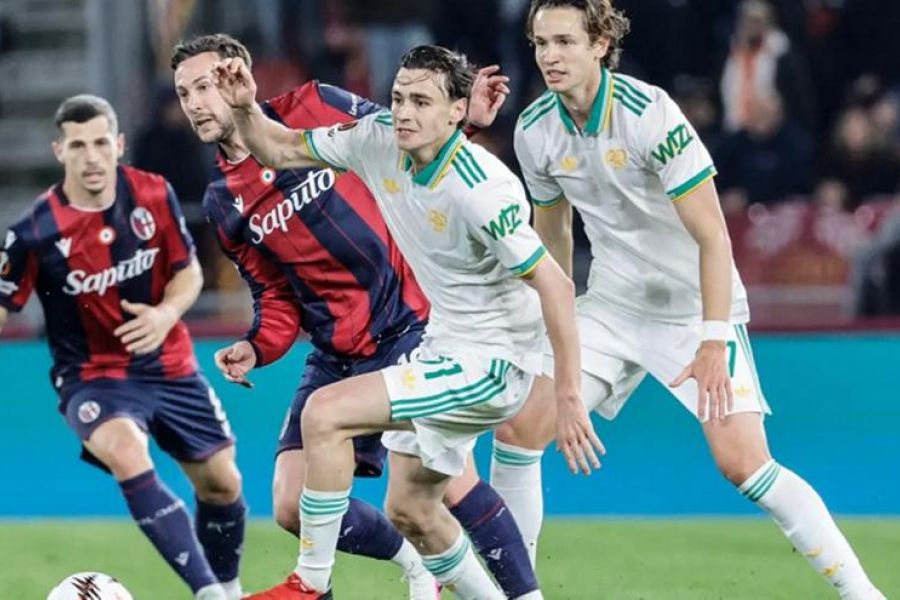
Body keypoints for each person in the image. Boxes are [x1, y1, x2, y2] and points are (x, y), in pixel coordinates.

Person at [491, 1, 887, 599]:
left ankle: (864, 595)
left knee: (744, 464)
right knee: (518, 430)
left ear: (600, 44)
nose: (550, 55)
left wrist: (712, 338)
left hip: (693, 308)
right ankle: (518, 595)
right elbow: (554, 241)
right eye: (541, 43)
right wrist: (552, 336)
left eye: (565, 41)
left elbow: (714, 237)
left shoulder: (649, 114)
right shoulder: (534, 129)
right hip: (612, 305)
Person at [213, 44, 597, 599]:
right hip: (444, 345)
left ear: (456, 112)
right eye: (398, 98)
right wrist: (246, 108)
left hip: (492, 361)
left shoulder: (481, 190)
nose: (404, 112)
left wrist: (567, 393)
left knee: (325, 413)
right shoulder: (378, 140)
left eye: (421, 101)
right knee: (410, 507)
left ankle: (310, 584)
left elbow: (556, 285)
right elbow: (280, 146)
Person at [0, 95, 245, 600]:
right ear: (59, 150)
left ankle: (229, 587)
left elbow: (188, 273)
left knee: (223, 484)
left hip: (169, 364)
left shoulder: (153, 194)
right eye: (77, 146)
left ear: (119, 144)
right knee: (127, 452)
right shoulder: (34, 231)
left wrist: (165, 314)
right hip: (93, 376)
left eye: (99, 143)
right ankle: (210, 593)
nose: (91, 157)